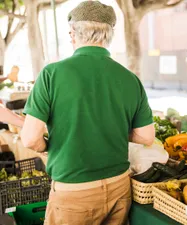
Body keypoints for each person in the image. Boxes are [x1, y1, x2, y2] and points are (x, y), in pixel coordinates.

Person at [20, 1, 155, 225]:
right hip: (120, 187)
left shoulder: (51, 74)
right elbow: (146, 137)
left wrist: (47, 147)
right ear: (109, 35)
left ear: (72, 34)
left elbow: (30, 139)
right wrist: (112, 128)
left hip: (74, 191)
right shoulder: (131, 79)